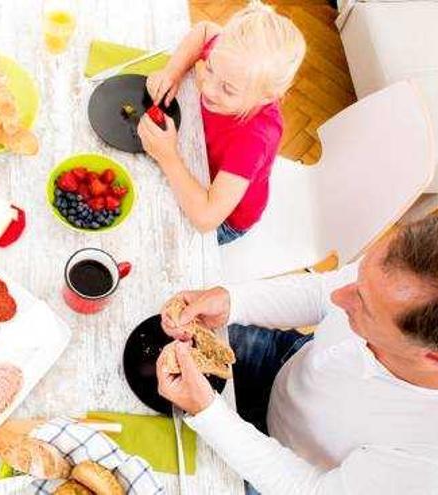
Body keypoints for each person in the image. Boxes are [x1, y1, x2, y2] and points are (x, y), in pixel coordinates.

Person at [156, 216, 438, 494]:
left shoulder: (425, 461)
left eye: (363, 305)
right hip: (284, 365)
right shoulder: (394, 279)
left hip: (286, 474)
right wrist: (233, 301)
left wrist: (208, 412)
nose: (339, 298)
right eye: (357, 279)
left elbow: (310, 489)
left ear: (431, 358)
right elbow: (321, 293)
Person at [137, 2, 305, 245]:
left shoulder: (255, 138)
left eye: (227, 89)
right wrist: (172, 71)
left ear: (267, 96)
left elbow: (206, 218)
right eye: (211, 69)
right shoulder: (231, 59)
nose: (207, 87)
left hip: (225, 220)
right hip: (199, 163)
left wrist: (168, 156)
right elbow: (204, 31)